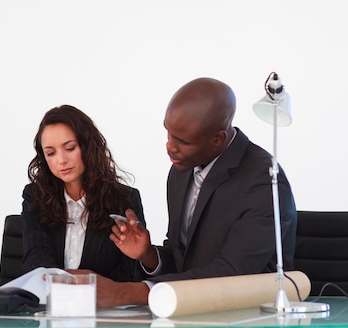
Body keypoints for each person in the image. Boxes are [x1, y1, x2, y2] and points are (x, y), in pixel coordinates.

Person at [94, 77, 297, 307]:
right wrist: (149, 255)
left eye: (182, 141)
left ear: (217, 138)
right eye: (168, 133)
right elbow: (184, 262)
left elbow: (233, 272)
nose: (169, 146)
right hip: (191, 312)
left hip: (246, 316)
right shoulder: (180, 171)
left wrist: (129, 293)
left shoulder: (264, 181)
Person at [21, 105, 147, 282]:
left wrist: (89, 285)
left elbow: (131, 273)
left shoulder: (124, 200)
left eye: (70, 148)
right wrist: (66, 282)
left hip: (104, 306)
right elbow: (35, 257)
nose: (61, 160)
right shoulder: (35, 196)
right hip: (48, 303)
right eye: (50, 153)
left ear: (88, 146)